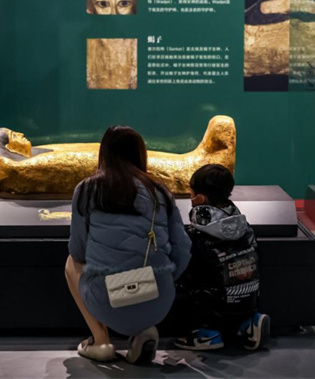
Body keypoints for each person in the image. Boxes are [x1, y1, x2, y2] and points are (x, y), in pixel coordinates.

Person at [65, 125, 191, 363]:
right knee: (151, 271)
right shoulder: (160, 191)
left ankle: (101, 341)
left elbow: (78, 250)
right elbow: (183, 250)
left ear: (104, 153)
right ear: (140, 153)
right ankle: (143, 332)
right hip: (159, 297)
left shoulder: (88, 189)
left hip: (108, 299)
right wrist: (157, 279)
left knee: (71, 263)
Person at [173, 164, 270, 351]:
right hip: (248, 301)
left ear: (200, 198)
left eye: (191, 194)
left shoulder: (198, 233)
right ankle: (250, 323)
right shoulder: (244, 227)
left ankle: (208, 334)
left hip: (213, 308)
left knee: (184, 281)